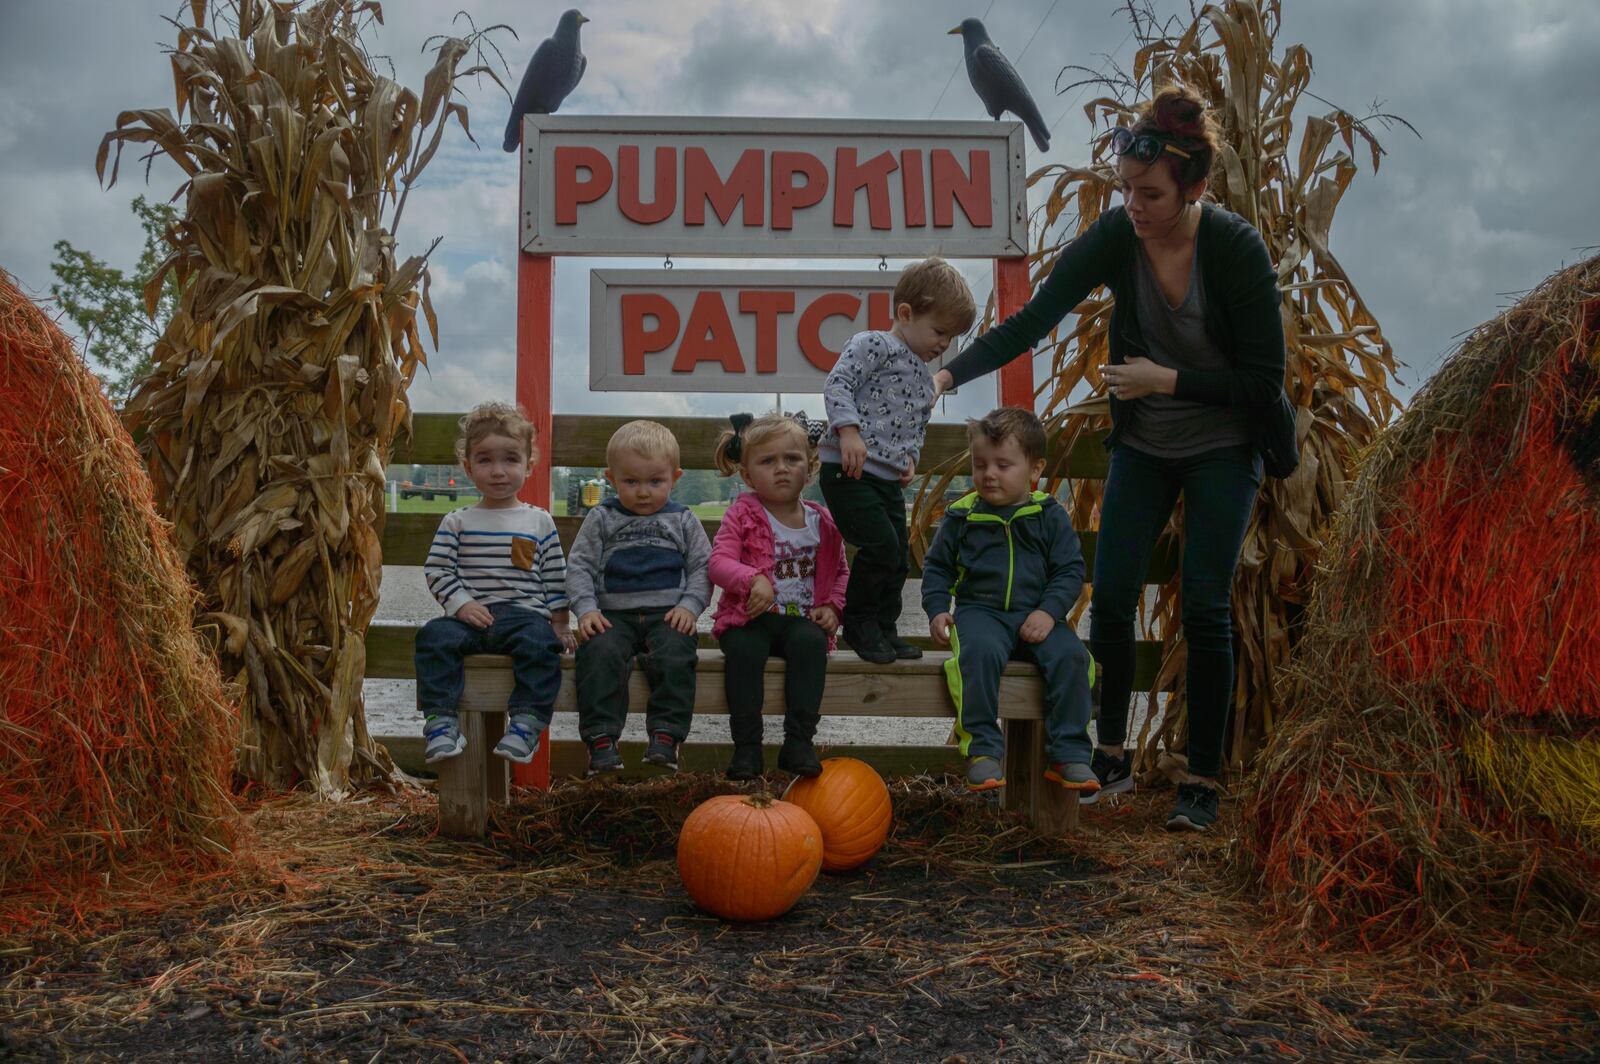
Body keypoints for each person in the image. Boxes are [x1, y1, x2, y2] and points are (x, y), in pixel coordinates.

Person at [933, 85, 1283, 832]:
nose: (1134, 204)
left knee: (1205, 605)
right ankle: (1114, 755)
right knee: (1114, 597)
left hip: (1225, 443)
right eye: (1125, 187)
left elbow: (1264, 384)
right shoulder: (1118, 236)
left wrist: (1166, 379)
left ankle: (1202, 781)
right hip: (1148, 446)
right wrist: (944, 375)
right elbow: (1030, 320)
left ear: (1193, 187)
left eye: (1150, 192)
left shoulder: (1233, 247)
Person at [922, 408, 1097, 794]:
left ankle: (1069, 753)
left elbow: (1069, 570)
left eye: (1003, 465)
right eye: (980, 464)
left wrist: (1049, 612)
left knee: (1074, 659)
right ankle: (982, 748)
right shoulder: (962, 517)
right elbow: (937, 568)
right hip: (980, 612)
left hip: (1038, 613)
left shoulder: (1048, 516)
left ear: (1035, 470)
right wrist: (937, 608)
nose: (988, 474)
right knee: (976, 655)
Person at [818, 257, 977, 665]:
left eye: (951, 338)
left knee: (899, 556)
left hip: (885, 478)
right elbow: (839, 383)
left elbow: (915, 422)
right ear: (905, 314)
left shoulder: (925, 377)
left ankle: (883, 627)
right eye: (939, 331)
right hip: (849, 470)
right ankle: (858, 622)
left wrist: (910, 457)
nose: (943, 345)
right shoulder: (875, 344)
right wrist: (848, 431)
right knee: (881, 546)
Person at [417, 402, 576, 765]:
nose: (498, 471)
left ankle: (527, 723)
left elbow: (554, 575)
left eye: (510, 460)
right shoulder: (457, 521)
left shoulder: (538, 522)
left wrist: (561, 622)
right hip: (470, 619)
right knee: (432, 637)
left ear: (528, 466)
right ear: (468, 467)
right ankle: (440, 722)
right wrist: (461, 604)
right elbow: (438, 570)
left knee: (541, 646)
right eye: (485, 460)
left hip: (524, 618)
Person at [566, 420, 712, 776]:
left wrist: (690, 607)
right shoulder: (602, 518)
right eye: (631, 482)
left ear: (674, 478)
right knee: (597, 652)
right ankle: (601, 740)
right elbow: (580, 566)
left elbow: (703, 568)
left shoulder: (683, 520)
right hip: (613, 617)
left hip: (668, 616)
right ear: (611, 478)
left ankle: (666, 736)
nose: (643, 492)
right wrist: (585, 611)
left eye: (655, 482)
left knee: (677, 655)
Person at [709, 413, 849, 780]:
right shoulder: (742, 515)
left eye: (792, 459)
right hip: (749, 617)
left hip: (800, 619)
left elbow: (840, 572)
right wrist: (752, 578)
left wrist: (833, 606)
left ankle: (798, 742)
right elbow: (719, 562)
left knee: (811, 645)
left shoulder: (823, 522)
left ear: (811, 466)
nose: (781, 469)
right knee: (743, 650)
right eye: (767, 461)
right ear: (747, 474)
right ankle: (748, 748)